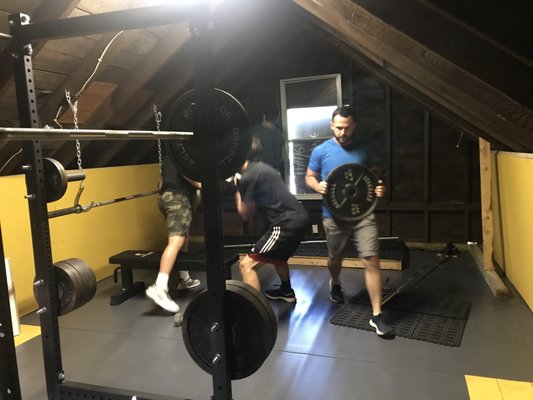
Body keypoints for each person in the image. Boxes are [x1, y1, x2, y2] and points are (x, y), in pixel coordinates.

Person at [305, 106, 394, 338]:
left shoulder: (364, 150)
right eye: (338, 128)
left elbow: (373, 177)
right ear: (331, 126)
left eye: (346, 128)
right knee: (335, 259)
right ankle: (335, 282)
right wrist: (318, 186)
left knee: (371, 259)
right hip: (334, 215)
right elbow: (309, 176)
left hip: (362, 214)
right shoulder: (321, 151)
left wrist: (379, 188)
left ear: (354, 126)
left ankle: (376, 315)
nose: (342, 132)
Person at [234, 136, 309, 302]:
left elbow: (245, 214)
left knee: (246, 265)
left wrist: (237, 188)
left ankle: (256, 312)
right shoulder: (262, 168)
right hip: (299, 219)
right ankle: (286, 291)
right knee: (278, 256)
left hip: (286, 223)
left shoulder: (247, 176)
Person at [145, 140, 201, 313]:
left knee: (183, 236)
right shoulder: (187, 154)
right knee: (176, 242)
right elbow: (194, 180)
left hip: (165, 197)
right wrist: (200, 183)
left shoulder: (171, 154)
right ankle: (160, 287)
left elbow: (160, 183)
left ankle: (184, 278)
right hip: (178, 198)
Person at [253, 109, 285, 177]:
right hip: (276, 171)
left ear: (264, 117)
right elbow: (281, 156)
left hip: (261, 171)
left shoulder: (257, 134)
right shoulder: (280, 136)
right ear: (277, 119)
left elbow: (254, 153)